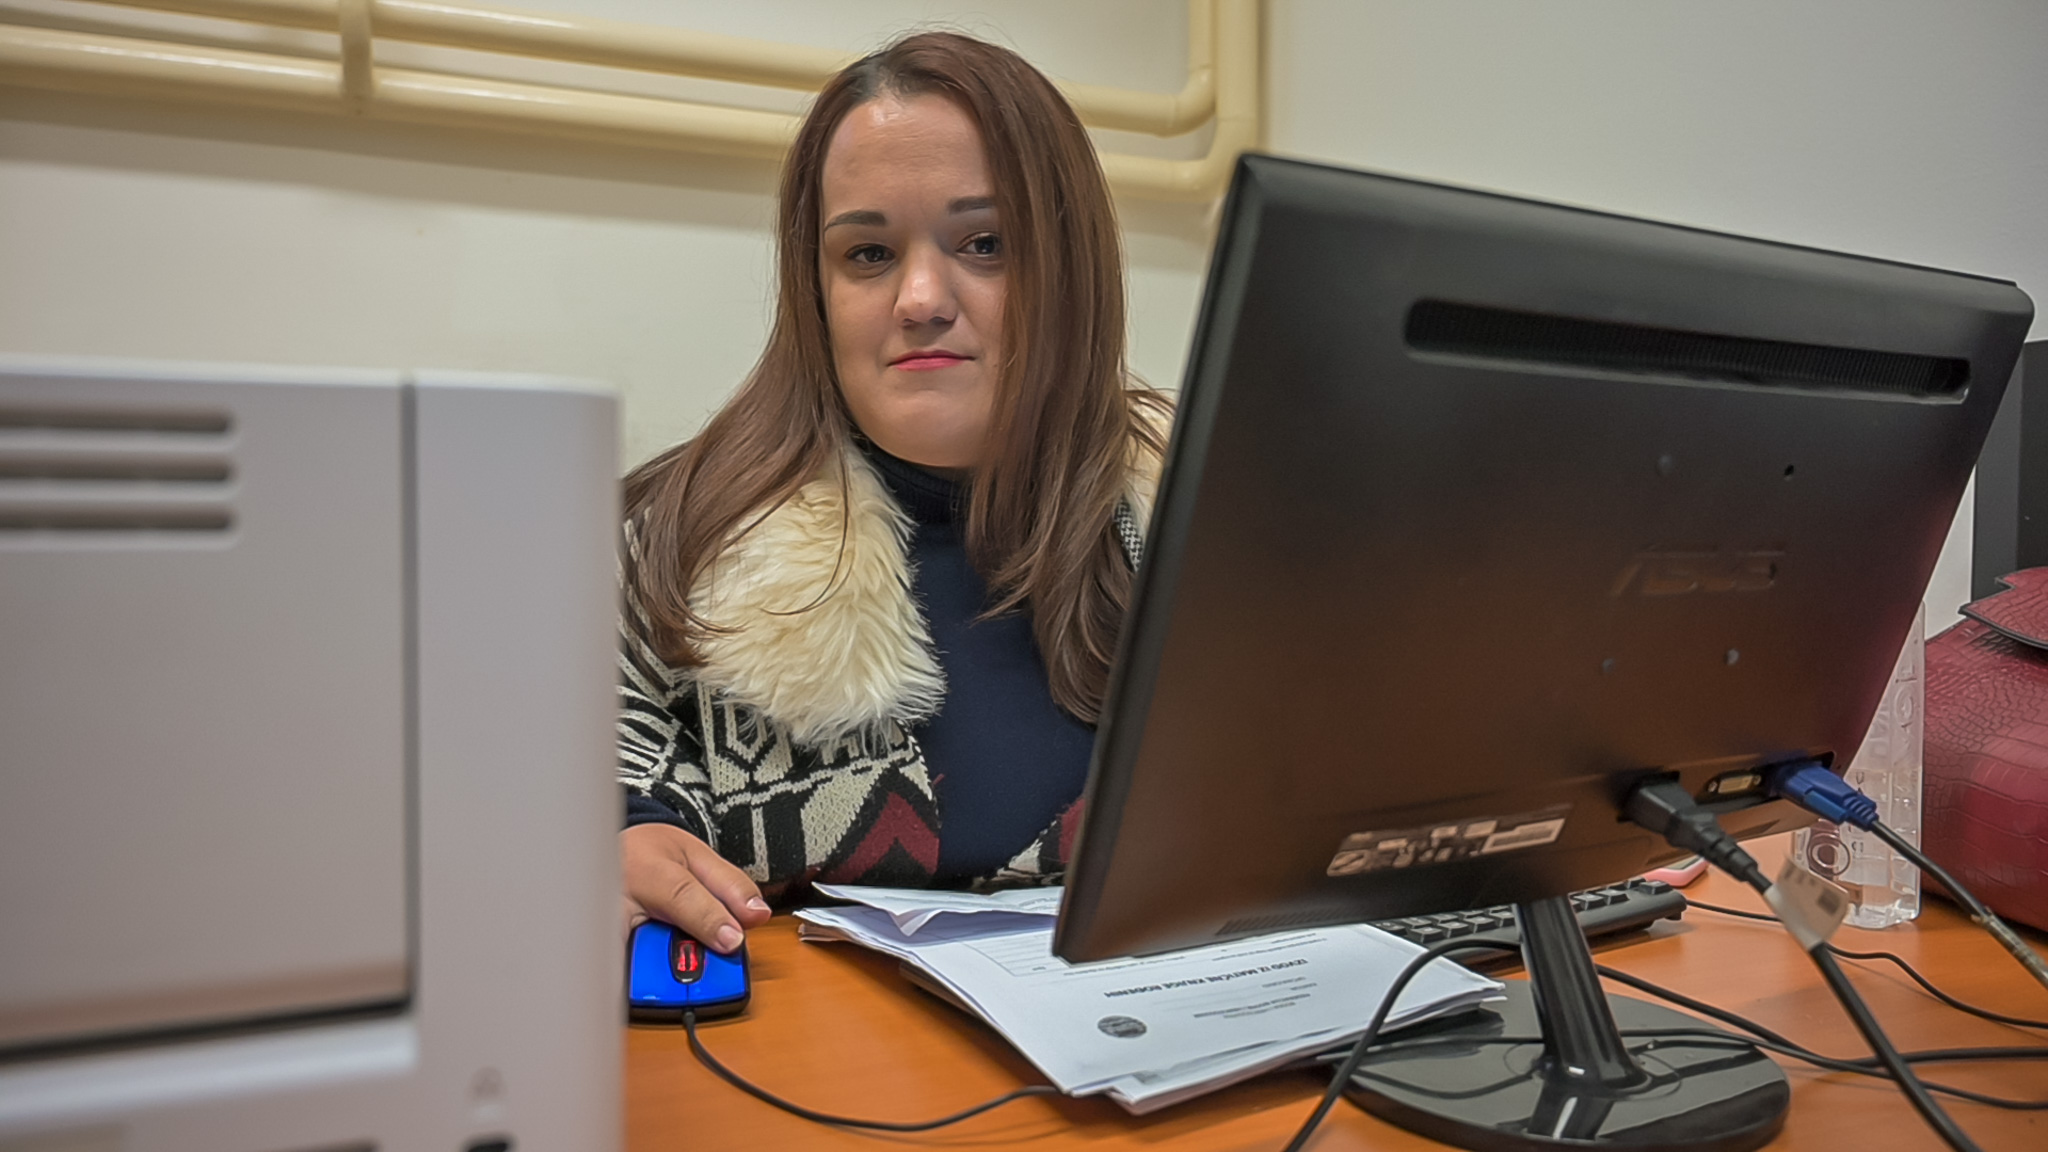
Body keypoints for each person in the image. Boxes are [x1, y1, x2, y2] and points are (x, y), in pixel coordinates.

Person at [616, 30, 1172, 956]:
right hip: (812, 1085)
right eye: (868, 254)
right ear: (817, 288)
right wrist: (615, 843)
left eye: (985, 243)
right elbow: (550, 788)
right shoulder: (670, 546)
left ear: (1070, 272)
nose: (920, 296)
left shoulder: (1201, 532)